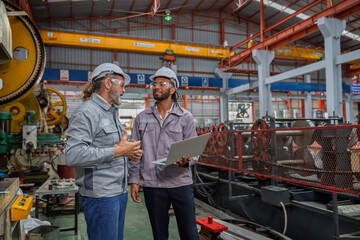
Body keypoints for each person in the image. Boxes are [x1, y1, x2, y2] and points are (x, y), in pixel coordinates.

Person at [65, 63, 143, 240]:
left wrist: (129, 153)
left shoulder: (111, 112)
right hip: (100, 195)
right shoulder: (86, 113)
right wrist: (117, 151)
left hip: (118, 191)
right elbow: (73, 154)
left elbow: (111, 147)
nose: (123, 91)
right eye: (122, 85)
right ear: (108, 83)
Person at [129, 67, 199, 240]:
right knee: (159, 235)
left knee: (190, 234)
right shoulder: (141, 118)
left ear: (172, 89)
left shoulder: (185, 117)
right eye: (154, 83)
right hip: (153, 185)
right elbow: (134, 152)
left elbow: (194, 151)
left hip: (180, 183)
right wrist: (133, 180)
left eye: (162, 83)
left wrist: (186, 160)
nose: (156, 87)